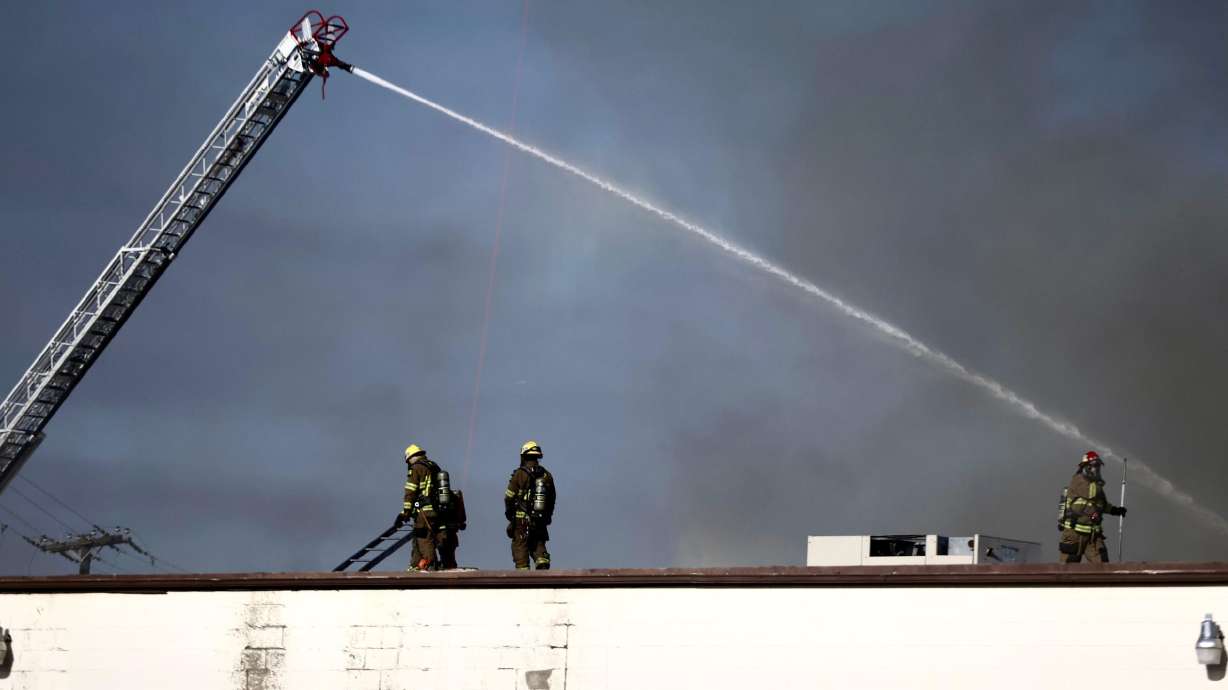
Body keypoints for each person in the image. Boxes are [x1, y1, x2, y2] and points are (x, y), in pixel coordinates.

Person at [1058, 450, 1127, 563]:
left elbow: (1101, 505)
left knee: (1102, 565)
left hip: (1093, 536)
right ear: (1087, 467)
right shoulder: (1078, 480)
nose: (1098, 469)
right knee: (1068, 569)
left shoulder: (1096, 485)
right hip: (1074, 534)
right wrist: (1097, 482)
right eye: (1095, 466)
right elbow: (1091, 494)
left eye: (1099, 466)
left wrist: (1115, 510)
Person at [397, 444, 459, 571]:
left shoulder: (416, 468)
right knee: (422, 536)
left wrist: (405, 512)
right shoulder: (434, 466)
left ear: (410, 458)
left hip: (425, 511)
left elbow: (411, 491)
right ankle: (416, 565)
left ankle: (429, 565)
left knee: (423, 537)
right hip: (440, 511)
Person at [504, 440, 556, 570]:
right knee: (538, 543)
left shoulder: (519, 474)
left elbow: (509, 497)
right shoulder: (547, 475)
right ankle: (542, 564)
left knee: (520, 546)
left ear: (523, 456)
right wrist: (547, 516)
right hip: (540, 519)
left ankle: (523, 576)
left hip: (521, 520)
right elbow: (552, 498)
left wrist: (510, 514)